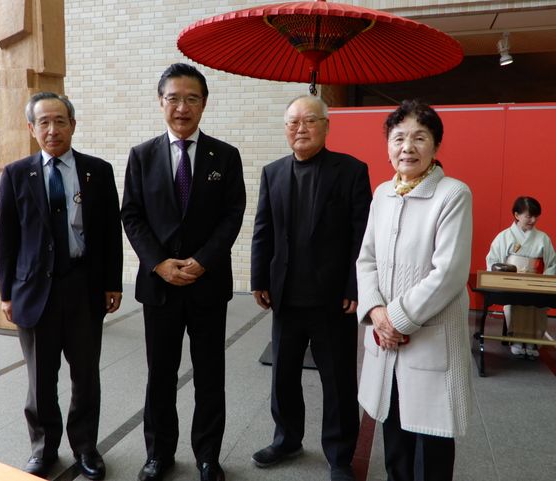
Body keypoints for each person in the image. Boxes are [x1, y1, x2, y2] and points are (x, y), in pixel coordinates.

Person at [121, 63, 246, 481]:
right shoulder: (141, 156)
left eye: (192, 98)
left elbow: (232, 215)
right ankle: (159, 454)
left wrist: (203, 260)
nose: (182, 107)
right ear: (160, 102)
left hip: (207, 284)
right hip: (159, 287)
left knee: (210, 374)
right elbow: (133, 215)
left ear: (204, 103)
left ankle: (208, 455)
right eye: (173, 98)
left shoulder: (225, 156)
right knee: (160, 375)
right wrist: (158, 263)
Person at [0, 92, 123, 480]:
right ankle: (43, 447)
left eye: (60, 121)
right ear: (32, 128)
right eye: (44, 122)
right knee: (40, 377)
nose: (53, 130)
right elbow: (7, 237)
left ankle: (86, 447)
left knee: (85, 374)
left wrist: (112, 283)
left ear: (73, 124)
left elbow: (109, 233)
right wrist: (5, 293)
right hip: (35, 290)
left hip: (83, 285)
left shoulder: (97, 171)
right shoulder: (17, 173)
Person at [250, 95, 372, 481]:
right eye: (292, 123)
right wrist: (258, 279)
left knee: (336, 379)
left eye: (309, 121)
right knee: (282, 375)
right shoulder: (273, 172)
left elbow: (362, 236)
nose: (300, 129)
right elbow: (263, 230)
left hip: (333, 298)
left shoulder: (351, 171)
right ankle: (286, 438)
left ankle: (339, 455)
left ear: (326, 126)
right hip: (286, 295)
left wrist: (357, 284)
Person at [356, 99, 473, 481]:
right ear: (388, 146)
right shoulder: (382, 194)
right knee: (394, 436)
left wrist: (397, 319)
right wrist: (377, 314)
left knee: (431, 440)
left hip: (428, 338)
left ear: (436, 146)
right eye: (398, 138)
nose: (407, 147)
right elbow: (366, 260)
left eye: (419, 138)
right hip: (386, 339)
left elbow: (449, 273)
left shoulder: (453, 194)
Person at [486, 196, 556, 357]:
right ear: (517, 215)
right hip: (512, 281)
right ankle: (516, 340)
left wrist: (546, 280)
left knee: (536, 308)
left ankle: (533, 342)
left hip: (536, 281)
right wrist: (501, 278)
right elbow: (493, 260)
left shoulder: (543, 238)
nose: (533, 220)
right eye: (528, 216)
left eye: (535, 216)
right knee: (516, 305)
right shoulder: (504, 236)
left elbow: (552, 263)